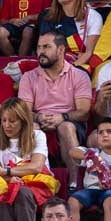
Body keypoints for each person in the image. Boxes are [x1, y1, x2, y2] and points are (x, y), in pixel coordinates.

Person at [18, 32, 93, 176]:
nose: (41, 52)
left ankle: (74, 182)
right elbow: (24, 111)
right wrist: (39, 117)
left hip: (71, 122)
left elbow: (83, 112)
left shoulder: (79, 75)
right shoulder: (29, 77)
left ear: (61, 50)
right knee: (32, 127)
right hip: (39, 120)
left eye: (46, 47)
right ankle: (32, 179)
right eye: (39, 47)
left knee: (66, 127)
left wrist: (62, 117)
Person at [0, 98, 58, 221]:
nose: (7, 125)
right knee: (0, 194)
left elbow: (36, 167)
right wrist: (8, 178)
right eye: (4, 120)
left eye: (12, 121)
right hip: (9, 183)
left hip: (37, 184)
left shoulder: (37, 136)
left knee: (22, 192)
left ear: (23, 121)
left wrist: (7, 172)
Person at [39, 0, 102, 68]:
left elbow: (89, 53)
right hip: (52, 64)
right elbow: (43, 50)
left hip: (79, 65)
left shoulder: (93, 16)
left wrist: (69, 71)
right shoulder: (48, 16)